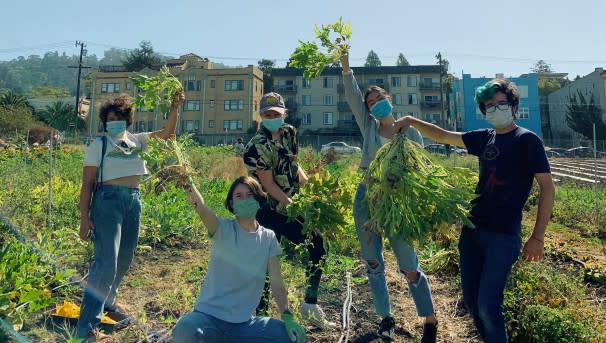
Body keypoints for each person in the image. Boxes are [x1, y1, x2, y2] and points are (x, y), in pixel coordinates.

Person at [394, 77, 556, 343]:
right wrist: (411, 120)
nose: (495, 109)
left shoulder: (527, 140)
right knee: (472, 304)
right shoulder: (485, 139)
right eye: (489, 106)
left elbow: (547, 188)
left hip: (503, 237)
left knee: (488, 307)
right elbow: (443, 135)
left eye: (501, 103)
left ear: (513, 106)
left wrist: (537, 237)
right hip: (472, 232)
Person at [340, 54, 439, 342]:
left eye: (378, 98)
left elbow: (421, 169)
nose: (373, 103)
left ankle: (429, 318)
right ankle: (386, 319)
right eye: (370, 102)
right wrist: (346, 67)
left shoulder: (410, 133)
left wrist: (401, 182)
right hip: (367, 199)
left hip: (398, 203)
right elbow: (352, 95)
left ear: (390, 100)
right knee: (373, 262)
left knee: (408, 264)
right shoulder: (369, 127)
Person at [76, 91, 184, 341]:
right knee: (106, 263)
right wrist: (84, 217)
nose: (113, 121)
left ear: (127, 120)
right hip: (107, 201)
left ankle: (109, 303)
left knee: (125, 257)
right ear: (104, 121)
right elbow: (87, 182)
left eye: (119, 117)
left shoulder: (138, 141)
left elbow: (167, 134)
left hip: (133, 200)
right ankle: (87, 330)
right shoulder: (99, 145)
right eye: (109, 118)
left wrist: (175, 107)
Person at [172, 176, 306, 343]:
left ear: (258, 199)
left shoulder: (268, 238)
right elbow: (201, 207)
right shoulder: (221, 229)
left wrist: (287, 316)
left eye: (249, 195)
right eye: (238, 196)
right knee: (186, 329)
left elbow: (277, 282)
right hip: (208, 319)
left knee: (290, 337)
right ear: (232, 203)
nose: (244, 199)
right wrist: (187, 183)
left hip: (244, 325)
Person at [242, 92, 332, 329]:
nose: (273, 117)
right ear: (261, 115)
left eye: (277, 114)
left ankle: (310, 305)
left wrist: (309, 187)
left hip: (289, 204)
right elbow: (268, 184)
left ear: (283, 114)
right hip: (266, 210)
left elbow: (294, 162)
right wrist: (294, 206)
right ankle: (258, 316)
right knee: (267, 261)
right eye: (268, 114)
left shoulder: (289, 132)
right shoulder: (256, 146)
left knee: (319, 245)